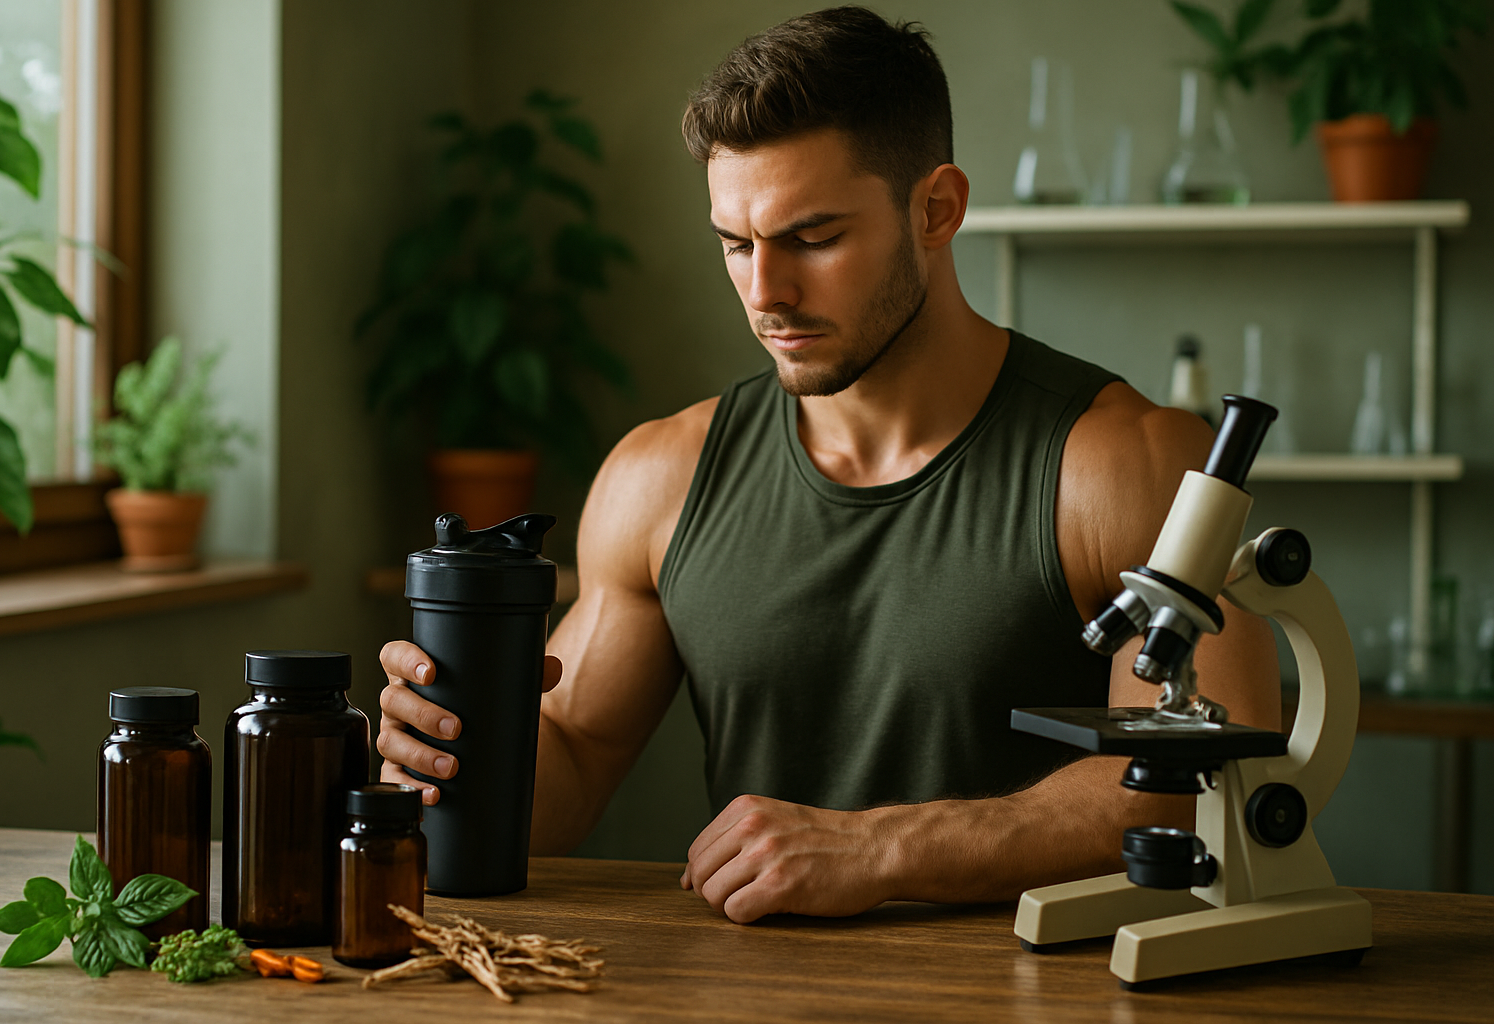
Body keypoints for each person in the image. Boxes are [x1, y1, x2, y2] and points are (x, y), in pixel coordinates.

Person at [377, 6, 1280, 925]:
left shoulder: (1125, 464)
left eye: (812, 237)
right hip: (748, 991)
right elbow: (563, 775)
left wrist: (882, 847)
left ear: (937, 209)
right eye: (737, 243)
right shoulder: (662, 477)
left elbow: (1194, 777)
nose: (765, 291)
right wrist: (456, 747)